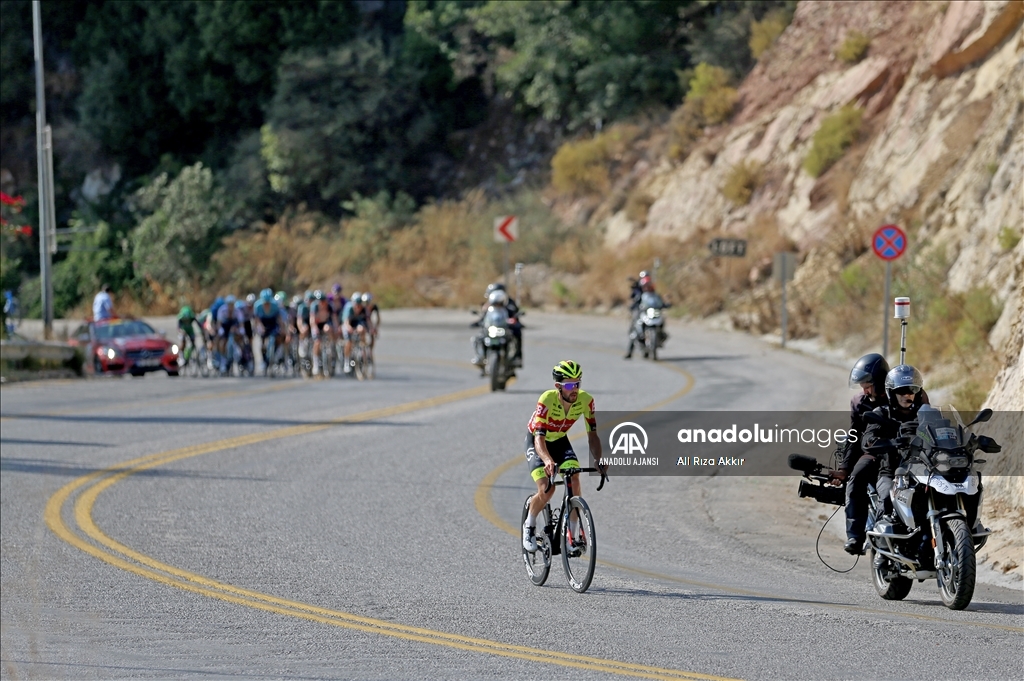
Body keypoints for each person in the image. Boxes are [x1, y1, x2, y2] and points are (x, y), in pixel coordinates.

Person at [522, 361, 605, 552]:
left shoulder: (586, 401)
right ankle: (530, 524)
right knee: (547, 489)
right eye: (569, 385)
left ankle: (571, 539)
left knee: (574, 479)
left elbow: (592, 435)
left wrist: (598, 460)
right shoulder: (547, 399)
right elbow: (539, 438)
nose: (574, 389)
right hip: (537, 441)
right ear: (558, 386)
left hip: (560, 440)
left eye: (577, 383)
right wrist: (548, 460)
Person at [833, 353, 889, 554]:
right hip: (873, 453)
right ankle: (855, 537)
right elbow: (854, 436)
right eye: (862, 385)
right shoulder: (859, 402)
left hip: (904, 452)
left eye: (868, 384)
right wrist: (844, 469)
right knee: (856, 478)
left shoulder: (902, 395)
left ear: (880, 381)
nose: (864, 389)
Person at [472, 283, 523, 368]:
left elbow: (515, 315)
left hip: (505, 328)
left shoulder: (509, 303)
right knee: (480, 337)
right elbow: (485, 317)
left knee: (517, 334)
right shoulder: (489, 305)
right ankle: (480, 356)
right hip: (492, 328)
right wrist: (479, 322)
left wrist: (514, 322)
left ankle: (516, 357)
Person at [624, 272, 653, 359]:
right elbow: (633, 297)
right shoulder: (638, 289)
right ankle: (630, 352)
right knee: (635, 330)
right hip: (639, 311)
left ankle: (648, 348)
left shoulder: (651, 289)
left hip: (648, 311)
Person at [340, 292, 368, 373]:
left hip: (357, 323)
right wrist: (350, 329)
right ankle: (346, 361)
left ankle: (362, 348)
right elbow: (346, 322)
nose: (358, 307)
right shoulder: (349, 308)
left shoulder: (363, 309)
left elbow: (368, 321)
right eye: (356, 305)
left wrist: (371, 329)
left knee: (362, 329)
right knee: (349, 342)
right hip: (348, 323)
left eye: (359, 305)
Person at [309, 290, 333, 376]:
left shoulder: (329, 306)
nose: (322, 303)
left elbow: (334, 319)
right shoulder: (314, 306)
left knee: (328, 329)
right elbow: (312, 320)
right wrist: (315, 328)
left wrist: (336, 328)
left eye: (323, 301)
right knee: (317, 342)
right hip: (316, 324)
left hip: (325, 324)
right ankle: (315, 363)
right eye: (320, 301)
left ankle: (329, 346)